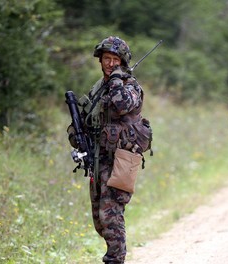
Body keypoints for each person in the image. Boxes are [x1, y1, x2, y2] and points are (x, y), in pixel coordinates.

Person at [67, 36, 152, 263]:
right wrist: (76, 133)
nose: (110, 63)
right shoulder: (98, 88)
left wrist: (116, 79)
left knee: (111, 216)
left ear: (123, 62)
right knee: (100, 220)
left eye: (115, 59)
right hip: (98, 159)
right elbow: (89, 117)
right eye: (107, 59)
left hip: (121, 159)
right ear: (100, 60)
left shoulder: (130, 86)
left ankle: (115, 259)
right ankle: (115, 254)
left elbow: (122, 105)